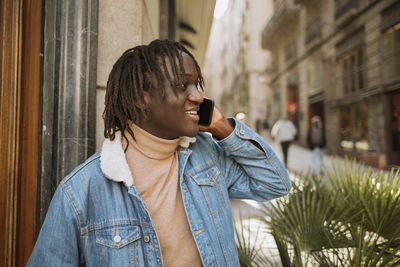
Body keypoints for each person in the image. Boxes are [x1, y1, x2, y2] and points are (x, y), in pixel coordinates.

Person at [27, 39, 291, 266]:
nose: (198, 96)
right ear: (142, 99)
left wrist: (223, 128)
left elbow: (275, 183)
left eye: (197, 85)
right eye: (182, 86)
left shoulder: (207, 157)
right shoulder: (79, 192)